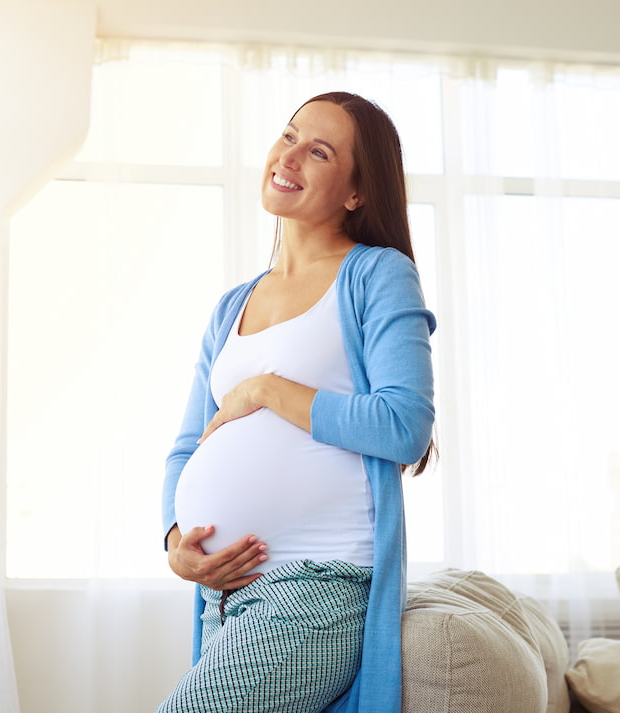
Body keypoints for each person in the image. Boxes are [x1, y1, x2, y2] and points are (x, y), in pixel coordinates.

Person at [158, 91, 436, 713]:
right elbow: (187, 445)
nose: (290, 158)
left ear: (356, 193)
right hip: (225, 598)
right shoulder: (233, 305)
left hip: (318, 588)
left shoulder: (375, 275)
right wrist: (176, 543)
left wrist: (265, 390)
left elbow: (404, 425)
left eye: (319, 151)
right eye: (288, 137)